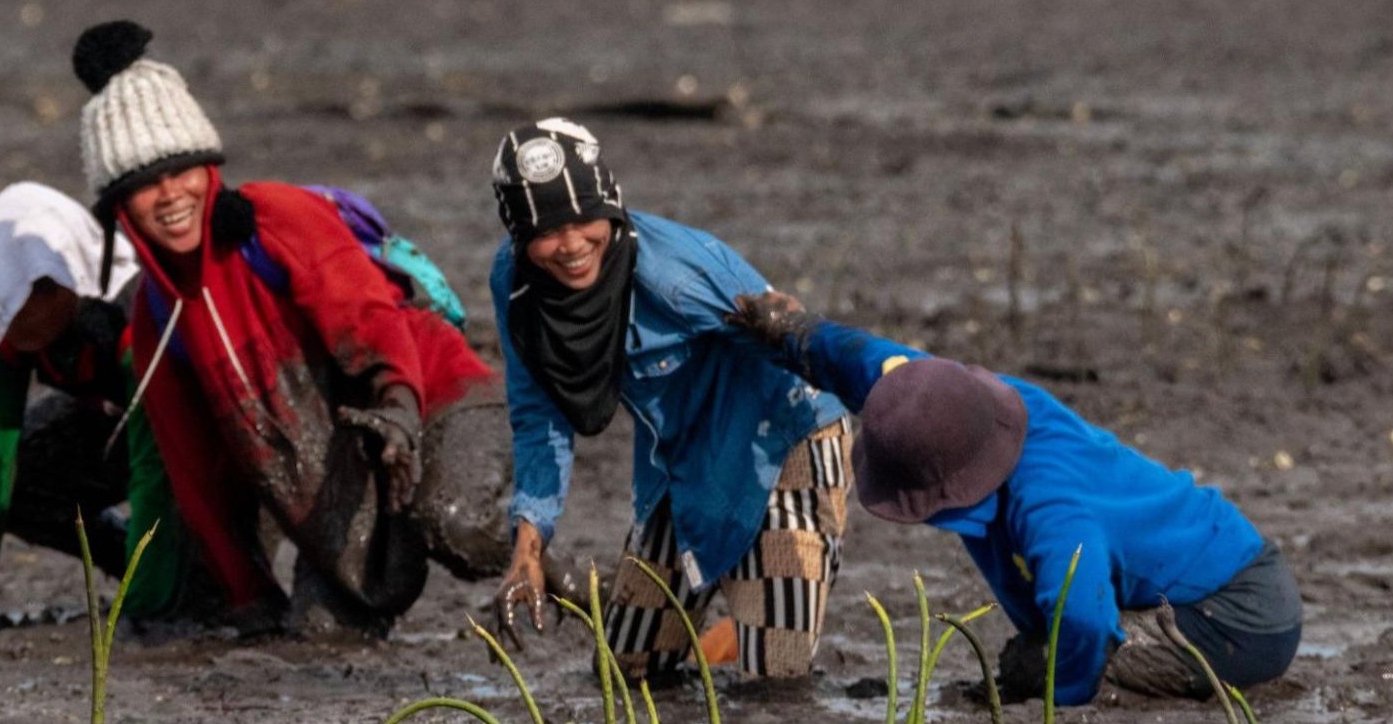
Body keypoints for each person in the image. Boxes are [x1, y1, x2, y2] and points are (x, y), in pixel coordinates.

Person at [69, 20, 538, 635]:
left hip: (439, 399)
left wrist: (398, 405)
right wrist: (249, 597)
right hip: (351, 476)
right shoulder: (158, 321)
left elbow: (369, 318)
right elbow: (197, 484)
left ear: (208, 168)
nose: (168, 195)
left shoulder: (276, 219)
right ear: (117, 210)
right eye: (143, 185)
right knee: (317, 638)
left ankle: (567, 576)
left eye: (178, 171)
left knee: (458, 525)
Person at [725, 291, 1303, 704]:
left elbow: (1082, 617)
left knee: (1037, 662)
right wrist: (792, 332)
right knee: (1036, 644)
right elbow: (870, 361)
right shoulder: (952, 399)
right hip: (1193, 572)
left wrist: (1061, 696)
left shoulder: (1051, 510)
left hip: (1241, 615)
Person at [488, 118, 853, 682]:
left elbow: (803, 344)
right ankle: (731, 633)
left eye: (586, 219)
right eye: (546, 230)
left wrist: (903, 389)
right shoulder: (516, 287)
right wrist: (527, 550)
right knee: (625, 672)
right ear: (517, 233)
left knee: (774, 683)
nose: (571, 245)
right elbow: (538, 418)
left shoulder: (671, 275)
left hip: (782, 441)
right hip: (683, 456)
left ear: (611, 203)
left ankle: (757, 626)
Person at [0, 181, 201, 630]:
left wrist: (140, 616)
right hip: (120, 424)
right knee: (23, 484)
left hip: (200, 434)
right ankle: (143, 568)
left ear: (70, 283)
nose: (12, 315)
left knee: (206, 582)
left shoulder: (135, 311)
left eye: (35, 294)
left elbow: (153, 470)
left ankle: (184, 585)